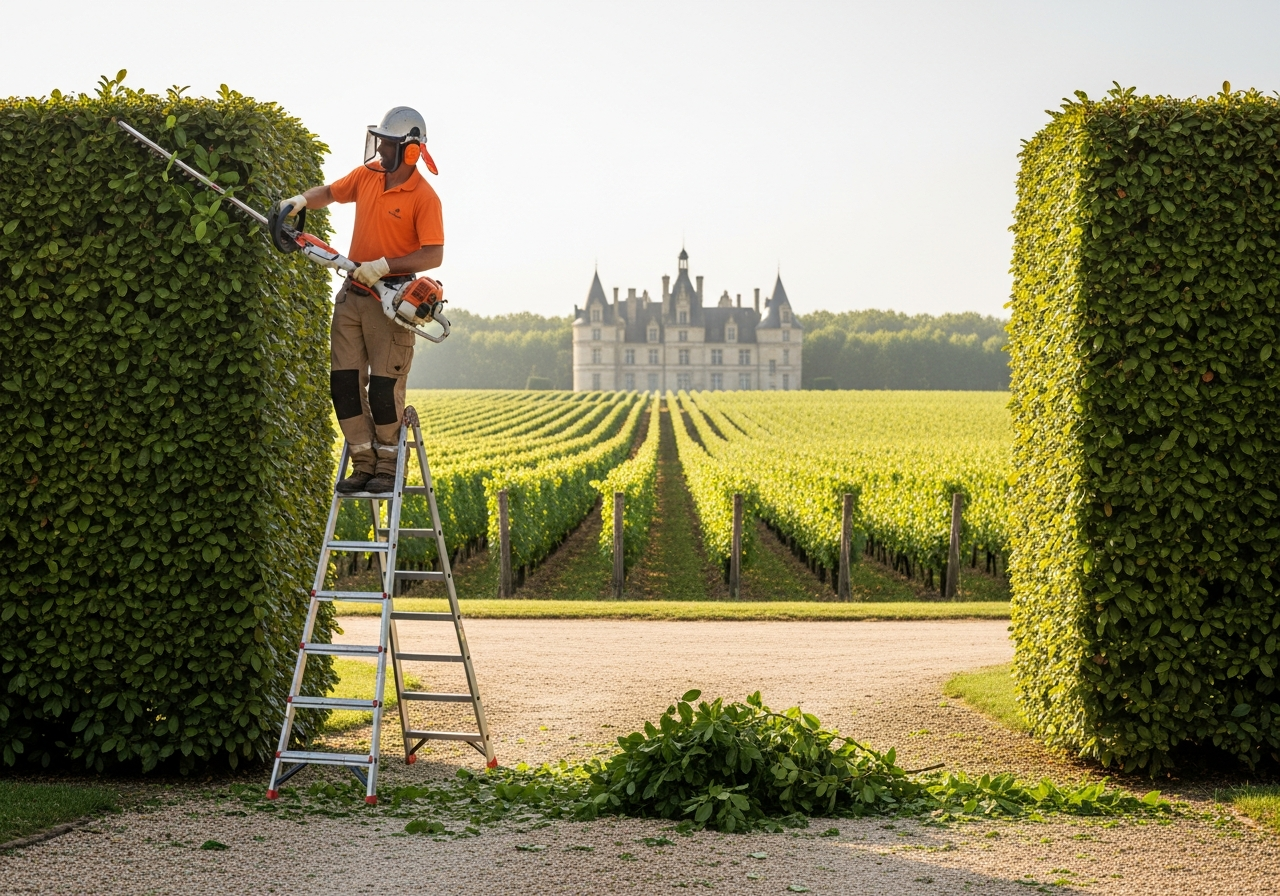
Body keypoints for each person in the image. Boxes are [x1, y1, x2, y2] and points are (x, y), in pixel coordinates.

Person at [278, 107, 443, 494]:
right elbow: (331, 193)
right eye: (380, 141)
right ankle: (363, 463)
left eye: (388, 143)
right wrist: (300, 200)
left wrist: (385, 265)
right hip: (353, 295)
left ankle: (387, 468)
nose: (380, 149)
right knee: (345, 384)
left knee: (384, 390)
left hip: (393, 300)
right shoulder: (367, 177)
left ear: (411, 151)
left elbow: (433, 254)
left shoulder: (424, 197)